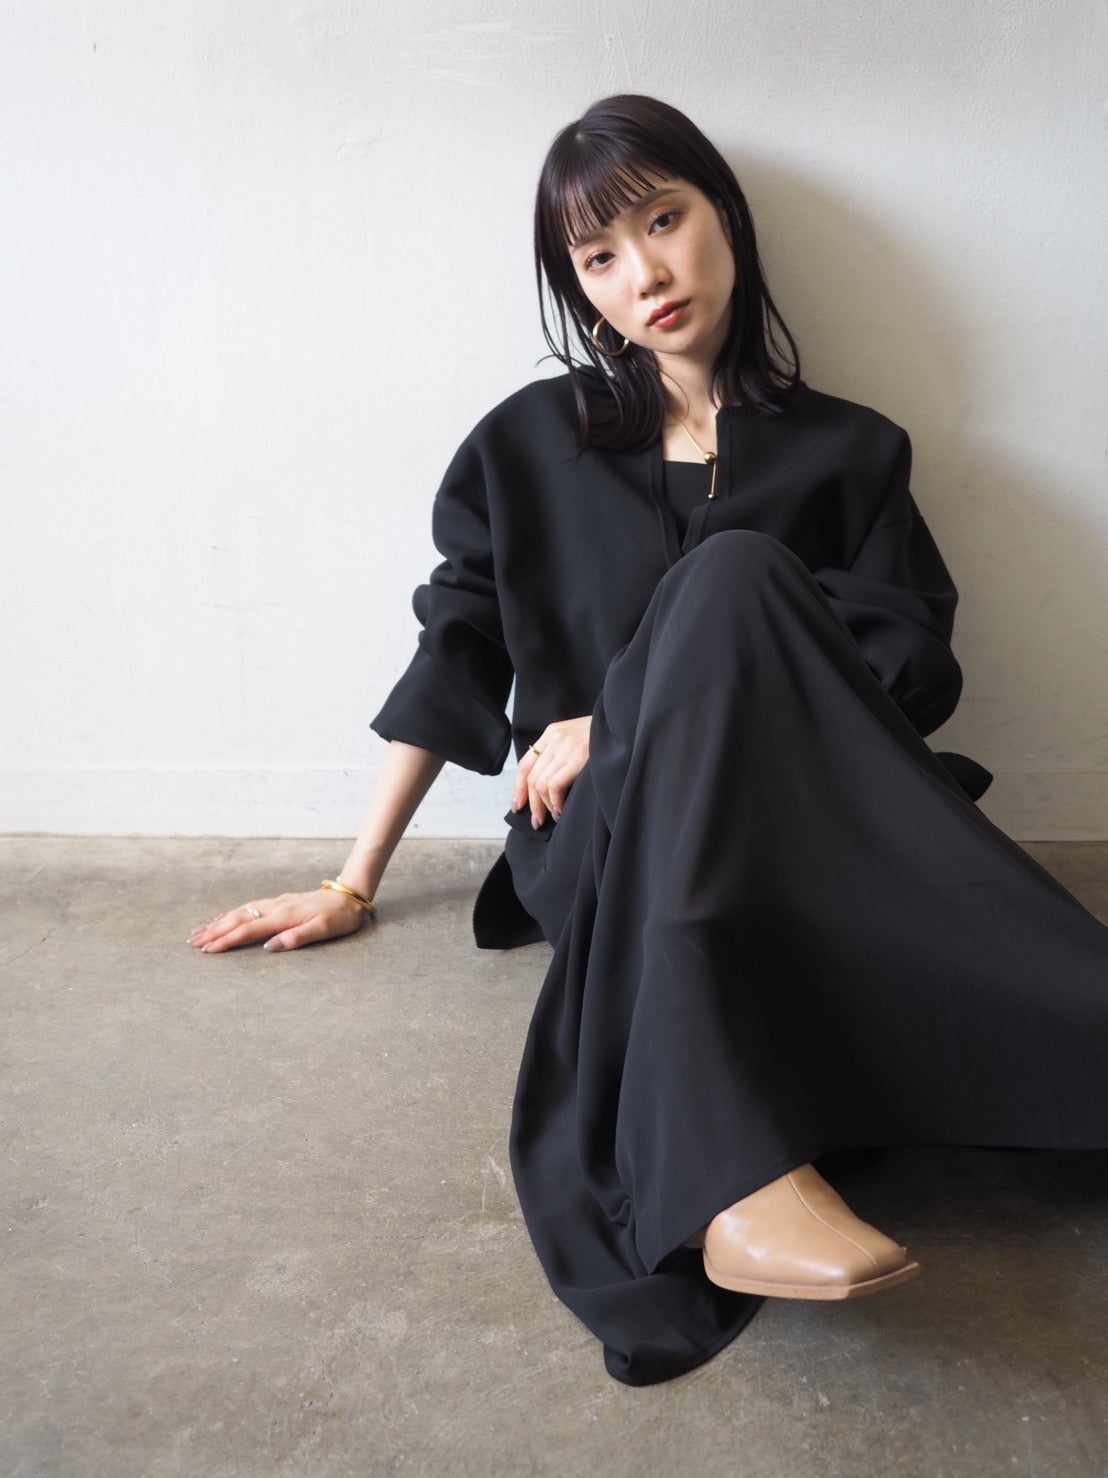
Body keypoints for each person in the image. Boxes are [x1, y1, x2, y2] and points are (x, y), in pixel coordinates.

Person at [189, 96, 1108, 1386]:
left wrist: (620, 709)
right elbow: (455, 650)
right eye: (599, 256)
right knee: (733, 575)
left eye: (664, 221)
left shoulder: (855, 451)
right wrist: (353, 881)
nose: (645, 275)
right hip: (601, 836)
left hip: (806, 821)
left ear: (724, 214)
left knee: (738, 580)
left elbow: (908, 674)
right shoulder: (527, 444)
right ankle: (735, 1174)